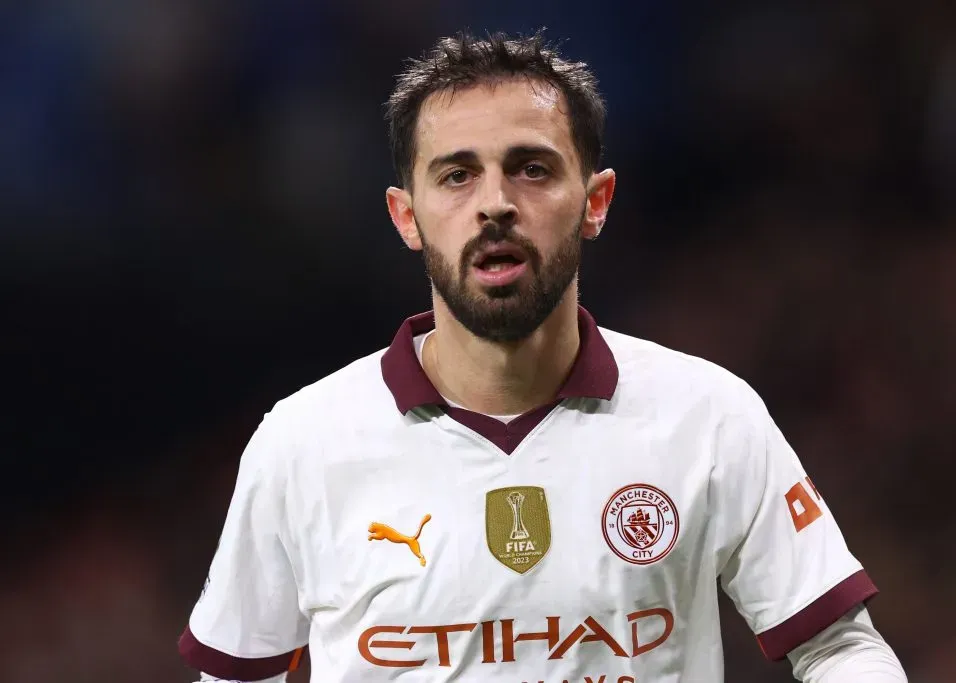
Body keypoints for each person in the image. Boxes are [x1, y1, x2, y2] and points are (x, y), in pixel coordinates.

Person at [178, 31, 907, 683]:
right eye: (457, 175)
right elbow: (239, 676)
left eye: (531, 168)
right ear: (407, 215)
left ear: (596, 200)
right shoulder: (302, 442)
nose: (495, 202)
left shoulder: (709, 416)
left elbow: (838, 645)